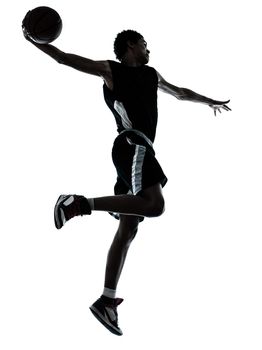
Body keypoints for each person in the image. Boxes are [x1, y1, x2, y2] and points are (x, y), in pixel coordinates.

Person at [22, 27, 231, 335]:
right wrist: (34, 40)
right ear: (131, 45)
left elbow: (180, 93)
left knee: (129, 229)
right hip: (131, 145)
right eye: (145, 44)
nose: (149, 50)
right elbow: (64, 59)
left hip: (139, 149)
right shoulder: (111, 70)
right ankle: (77, 203)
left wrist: (209, 100)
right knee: (155, 205)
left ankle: (106, 301)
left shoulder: (152, 74)